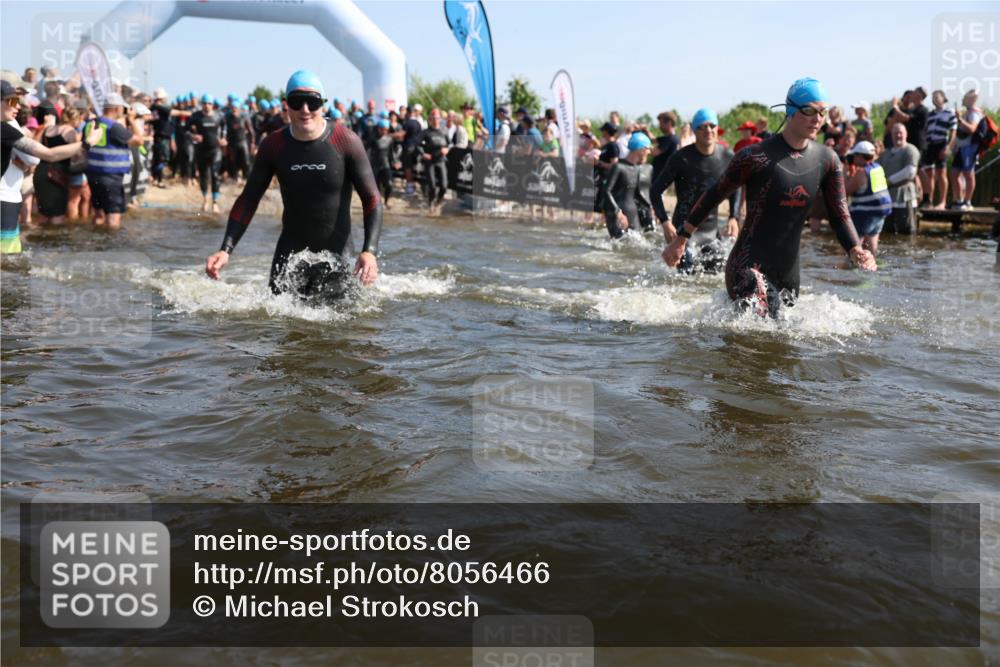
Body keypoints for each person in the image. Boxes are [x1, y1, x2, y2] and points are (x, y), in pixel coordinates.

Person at [662, 77, 877, 318]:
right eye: (809, 110)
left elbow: (839, 212)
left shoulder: (827, 160)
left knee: (782, 340)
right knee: (771, 326)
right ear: (790, 111)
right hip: (746, 267)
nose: (817, 118)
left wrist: (855, 248)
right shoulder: (755, 156)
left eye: (823, 112)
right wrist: (681, 239)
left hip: (789, 274)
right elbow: (714, 194)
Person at [204, 70, 382, 301]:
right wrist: (225, 249)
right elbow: (249, 199)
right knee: (279, 325)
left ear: (323, 105)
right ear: (286, 105)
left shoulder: (345, 141)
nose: (305, 110)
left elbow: (372, 199)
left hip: (337, 256)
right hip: (289, 256)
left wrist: (369, 252)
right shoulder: (274, 145)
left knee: (339, 332)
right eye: (297, 102)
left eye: (313, 102)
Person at [2, 80, 102, 252]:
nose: (17, 106)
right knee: (7, 259)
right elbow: (48, 154)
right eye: (12, 101)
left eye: (18, 101)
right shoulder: (5, 129)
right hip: (4, 201)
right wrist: (88, 143)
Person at [651, 107, 741, 273]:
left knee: (720, 274)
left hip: (711, 232)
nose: (708, 130)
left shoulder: (727, 157)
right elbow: (655, 191)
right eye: (702, 127)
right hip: (683, 233)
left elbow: (736, 187)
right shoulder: (681, 158)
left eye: (711, 125)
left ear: (717, 128)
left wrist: (733, 217)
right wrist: (665, 222)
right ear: (694, 130)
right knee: (687, 274)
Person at [82, 92, 143, 229]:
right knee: (113, 218)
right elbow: (139, 141)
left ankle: (96, 241)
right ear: (117, 108)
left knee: (98, 215)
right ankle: (112, 247)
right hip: (111, 178)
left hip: (93, 175)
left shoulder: (90, 124)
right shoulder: (114, 127)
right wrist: (132, 120)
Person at [34, 105, 80, 225]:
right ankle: (55, 243)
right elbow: (76, 156)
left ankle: (39, 242)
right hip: (58, 175)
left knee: (43, 213)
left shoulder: (47, 129)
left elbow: (34, 146)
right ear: (74, 119)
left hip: (41, 172)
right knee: (57, 214)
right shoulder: (70, 132)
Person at [845, 141, 892, 255]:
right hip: (879, 214)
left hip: (864, 215)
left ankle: (850, 270)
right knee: (872, 249)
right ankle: (872, 269)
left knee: (854, 249)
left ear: (860, 156)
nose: (853, 158)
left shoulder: (861, 173)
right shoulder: (877, 168)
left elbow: (845, 191)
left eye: (855, 155)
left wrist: (845, 171)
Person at [602, 132, 653, 238]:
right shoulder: (619, 167)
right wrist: (618, 213)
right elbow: (606, 191)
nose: (649, 152)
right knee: (618, 247)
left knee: (636, 244)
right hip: (618, 214)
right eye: (648, 148)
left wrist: (651, 208)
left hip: (632, 213)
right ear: (641, 149)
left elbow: (639, 193)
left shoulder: (638, 168)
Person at [879, 123, 921, 234]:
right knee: (887, 233)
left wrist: (889, 181)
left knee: (907, 232)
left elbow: (910, 172)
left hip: (905, 196)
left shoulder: (910, 150)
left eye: (900, 133)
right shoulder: (886, 153)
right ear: (891, 135)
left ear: (906, 134)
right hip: (887, 197)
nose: (898, 135)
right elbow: (877, 170)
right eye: (895, 133)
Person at [188, 94, 228, 212]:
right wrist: (193, 136)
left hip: (215, 150)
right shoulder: (196, 116)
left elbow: (224, 126)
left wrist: (223, 137)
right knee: (204, 176)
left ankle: (215, 202)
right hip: (201, 151)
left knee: (215, 175)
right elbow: (186, 130)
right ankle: (205, 199)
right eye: (204, 103)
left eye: (209, 104)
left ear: (212, 105)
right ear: (202, 104)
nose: (207, 106)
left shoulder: (218, 116)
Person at [919, 90, 956, 209]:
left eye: (937, 97)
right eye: (933, 97)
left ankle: (942, 201)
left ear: (943, 98)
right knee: (929, 173)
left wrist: (948, 147)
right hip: (930, 145)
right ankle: (929, 200)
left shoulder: (950, 112)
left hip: (942, 144)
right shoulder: (930, 114)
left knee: (941, 174)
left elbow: (953, 131)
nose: (934, 99)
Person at [950, 89, 983, 210]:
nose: (962, 99)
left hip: (969, 147)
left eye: (964, 97)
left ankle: (968, 202)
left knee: (968, 174)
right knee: (954, 173)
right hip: (960, 147)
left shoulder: (974, 113)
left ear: (970, 99)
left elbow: (972, 129)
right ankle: (959, 200)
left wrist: (960, 119)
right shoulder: (967, 112)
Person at [418, 108, 449, 215]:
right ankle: (431, 204)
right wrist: (423, 154)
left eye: (437, 118)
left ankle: (438, 202)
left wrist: (447, 149)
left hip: (441, 160)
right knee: (432, 186)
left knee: (444, 186)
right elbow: (417, 144)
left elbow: (449, 144)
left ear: (440, 119)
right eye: (433, 118)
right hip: (430, 161)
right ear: (430, 119)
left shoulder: (443, 131)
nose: (435, 120)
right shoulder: (426, 132)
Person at [368, 119, 395, 209]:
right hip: (375, 165)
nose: (384, 131)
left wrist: (395, 162)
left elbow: (391, 153)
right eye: (382, 129)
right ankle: (378, 204)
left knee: (389, 184)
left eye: (386, 129)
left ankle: (386, 202)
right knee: (376, 187)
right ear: (379, 129)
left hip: (386, 164)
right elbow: (367, 151)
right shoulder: (372, 138)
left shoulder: (389, 139)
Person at [225, 103, 254, 184]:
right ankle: (236, 178)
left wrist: (252, 143)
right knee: (234, 161)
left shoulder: (244, 117)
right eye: (233, 108)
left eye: (236, 108)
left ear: (239, 108)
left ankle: (248, 178)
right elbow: (226, 132)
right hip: (233, 143)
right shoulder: (228, 118)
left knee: (246, 161)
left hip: (243, 141)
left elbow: (251, 132)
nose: (234, 109)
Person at [650, 111, 679, 183]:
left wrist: (641, 146)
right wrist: (645, 131)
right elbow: (653, 140)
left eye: (661, 123)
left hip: (659, 176)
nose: (659, 126)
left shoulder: (669, 140)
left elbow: (654, 153)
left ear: (669, 123)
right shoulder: (671, 138)